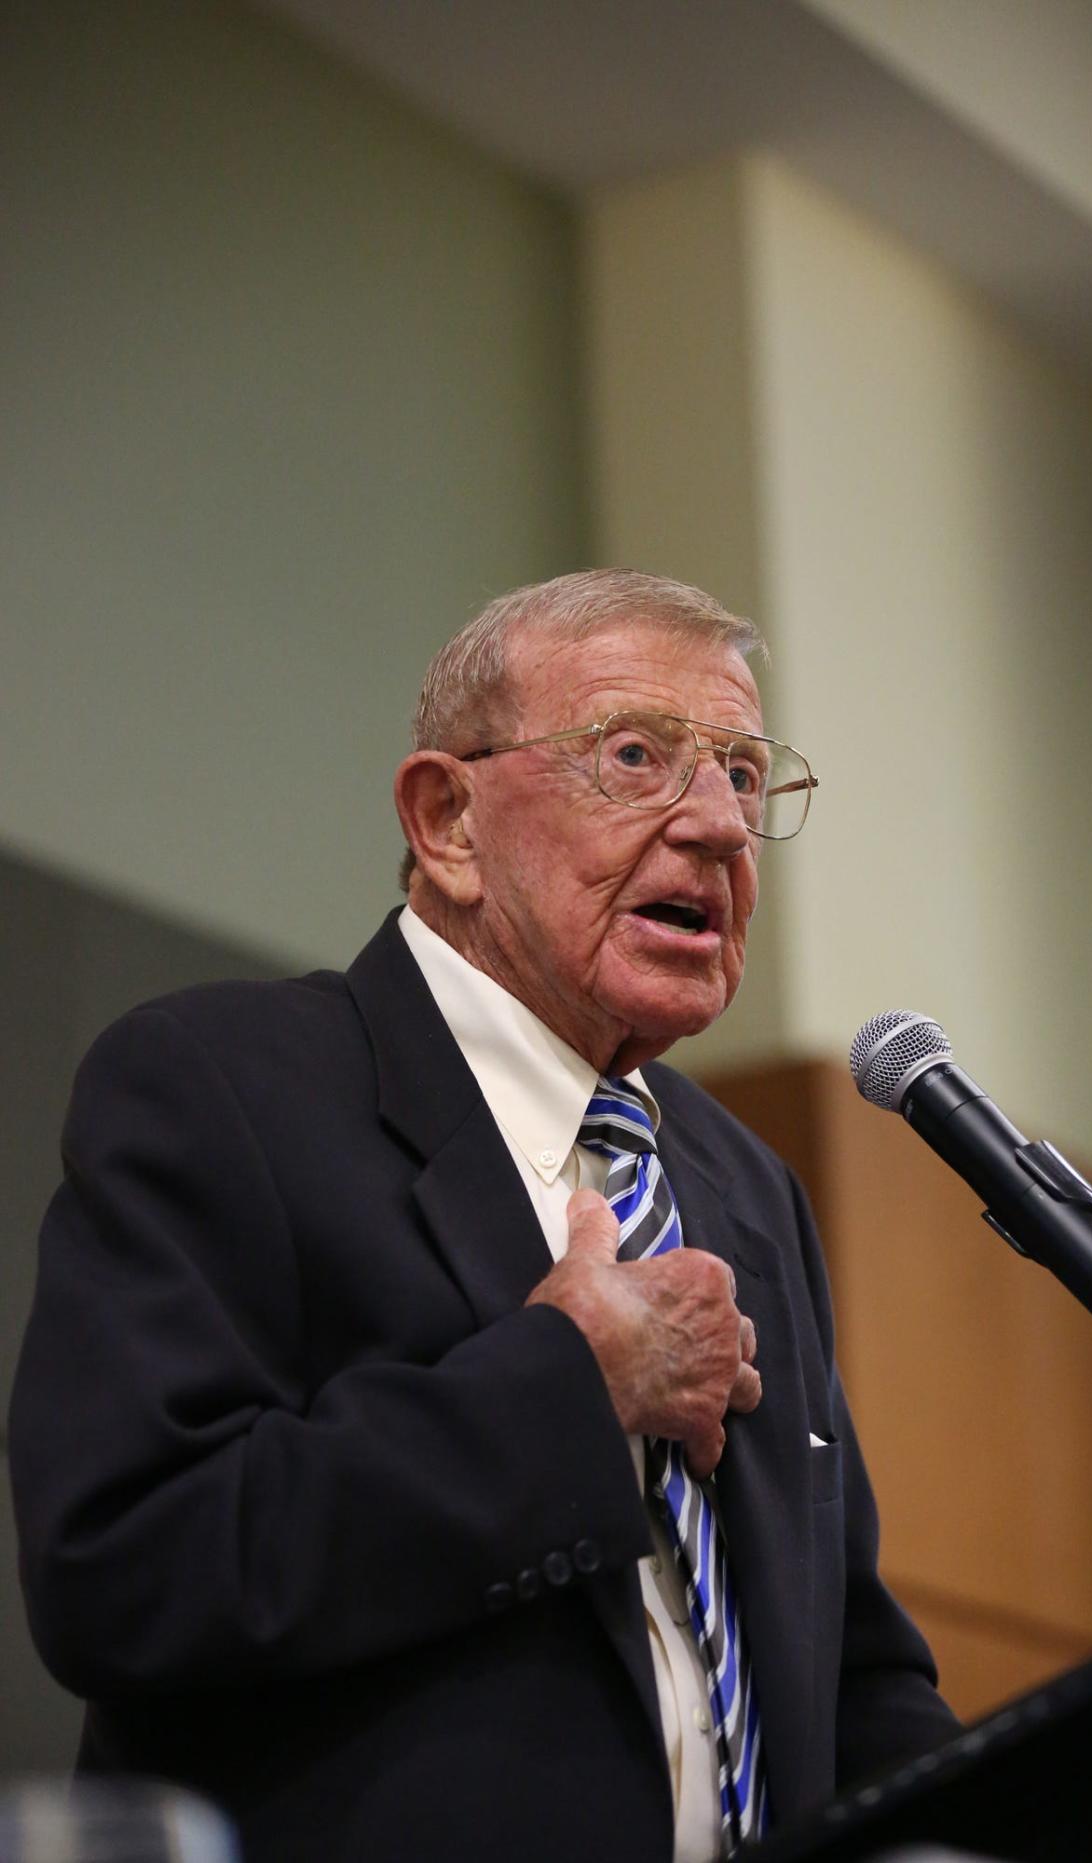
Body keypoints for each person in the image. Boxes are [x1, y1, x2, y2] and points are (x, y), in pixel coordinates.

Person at [10, 570, 956, 1863]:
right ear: (446, 818)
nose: (720, 828)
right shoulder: (221, 1082)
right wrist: (572, 1382)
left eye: (742, 776)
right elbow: (128, 1576)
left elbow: (849, 1667)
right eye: (636, 756)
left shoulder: (744, 1186)